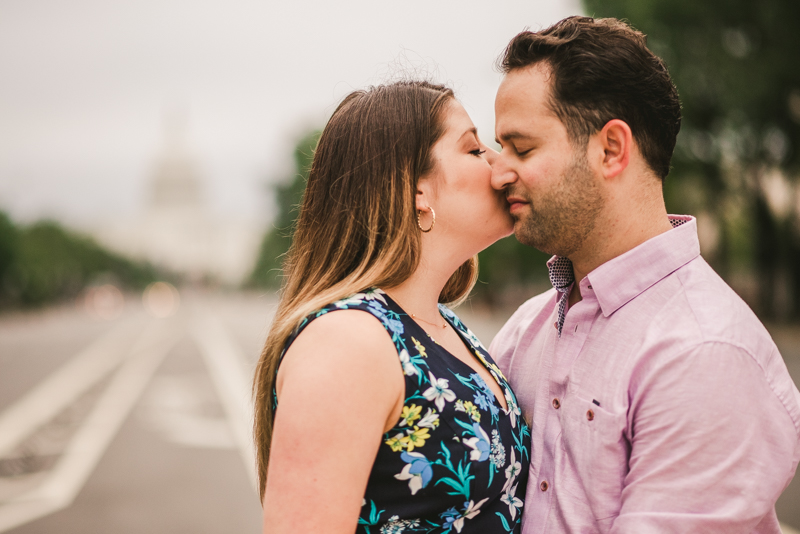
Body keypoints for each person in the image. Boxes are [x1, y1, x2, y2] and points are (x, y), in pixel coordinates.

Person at [489, 16, 800, 534]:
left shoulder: (706, 351)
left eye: (522, 149)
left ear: (611, 149)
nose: (498, 172)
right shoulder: (526, 329)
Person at [253, 81, 531, 533]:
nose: (501, 167)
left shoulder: (444, 328)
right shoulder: (349, 343)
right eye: (474, 150)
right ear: (416, 189)